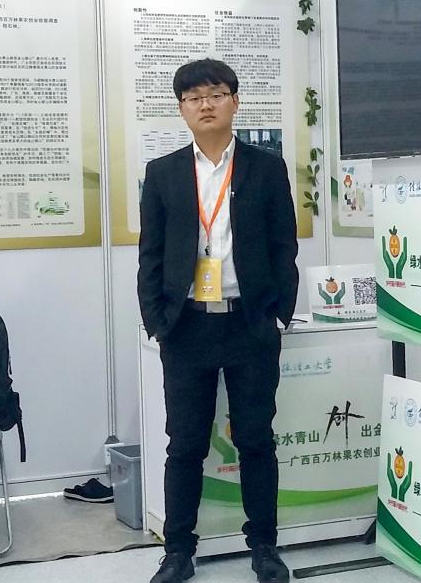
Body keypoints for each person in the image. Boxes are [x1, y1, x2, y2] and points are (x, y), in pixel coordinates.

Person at [138, 58, 299, 583]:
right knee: (185, 444)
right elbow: (151, 254)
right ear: (181, 108)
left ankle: (265, 547)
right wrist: (157, 321)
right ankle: (177, 552)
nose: (205, 105)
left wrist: (278, 313)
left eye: (215, 94)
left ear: (234, 101)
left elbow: (283, 245)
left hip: (248, 323)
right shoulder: (162, 173)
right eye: (193, 98)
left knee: (256, 439)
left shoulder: (266, 168)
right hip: (186, 326)